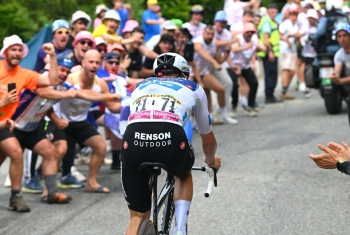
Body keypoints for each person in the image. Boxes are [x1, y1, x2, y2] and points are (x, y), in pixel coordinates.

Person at [121, 52, 221, 235]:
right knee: (182, 172)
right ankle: (180, 229)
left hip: (132, 139)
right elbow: (207, 137)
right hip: (170, 137)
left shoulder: (139, 85)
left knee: (137, 215)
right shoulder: (193, 87)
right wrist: (210, 161)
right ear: (185, 74)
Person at [0, 35, 67, 212]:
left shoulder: (24, 74)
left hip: (10, 124)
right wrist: (2, 102)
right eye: (13, 50)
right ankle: (16, 195)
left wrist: (52, 56)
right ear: (5, 52)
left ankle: (46, 193)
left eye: (19, 50)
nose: (16, 53)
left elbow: (52, 80)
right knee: (14, 153)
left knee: (49, 151)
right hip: (3, 123)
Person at [55, 50, 121, 193]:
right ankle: (48, 188)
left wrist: (128, 107)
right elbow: (85, 95)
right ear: (83, 63)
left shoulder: (101, 84)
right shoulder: (71, 79)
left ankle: (91, 183)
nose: (94, 65)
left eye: (97, 62)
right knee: (58, 152)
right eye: (91, 62)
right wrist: (108, 97)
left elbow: (112, 107)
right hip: (61, 121)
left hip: (80, 122)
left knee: (101, 146)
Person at [228, 23, 266, 117]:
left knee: (254, 83)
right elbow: (234, 49)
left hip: (245, 65)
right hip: (234, 65)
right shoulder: (239, 38)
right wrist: (245, 47)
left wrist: (263, 46)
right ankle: (234, 106)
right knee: (234, 85)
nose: (249, 34)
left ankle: (250, 105)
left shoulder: (254, 39)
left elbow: (264, 49)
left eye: (252, 32)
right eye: (247, 32)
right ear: (244, 32)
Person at [257, 3, 282, 104]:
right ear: (268, 11)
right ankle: (269, 96)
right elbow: (266, 39)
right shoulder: (267, 22)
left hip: (270, 53)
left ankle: (270, 95)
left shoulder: (269, 20)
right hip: (269, 53)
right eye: (272, 11)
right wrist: (270, 52)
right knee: (271, 74)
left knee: (271, 74)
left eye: (275, 12)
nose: (274, 14)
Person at [279, 4, 301, 100]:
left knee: (292, 71)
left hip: (292, 49)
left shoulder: (296, 24)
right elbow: (279, 35)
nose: (294, 17)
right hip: (285, 49)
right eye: (292, 14)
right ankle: (284, 90)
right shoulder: (286, 23)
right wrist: (286, 40)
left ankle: (285, 89)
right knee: (286, 69)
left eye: (295, 15)